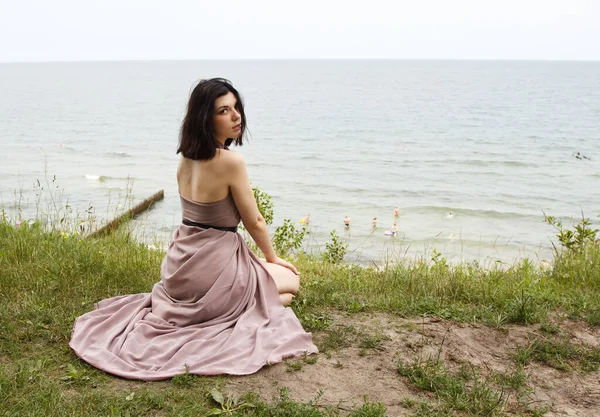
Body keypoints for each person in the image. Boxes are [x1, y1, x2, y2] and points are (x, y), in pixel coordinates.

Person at [69, 78, 317, 380]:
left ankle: (231, 306)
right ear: (205, 119)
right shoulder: (231, 162)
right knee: (291, 281)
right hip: (215, 266)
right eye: (224, 111)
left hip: (180, 268)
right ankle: (235, 309)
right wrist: (273, 258)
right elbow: (255, 222)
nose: (236, 116)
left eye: (236, 107)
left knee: (273, 294)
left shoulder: (185, 160)